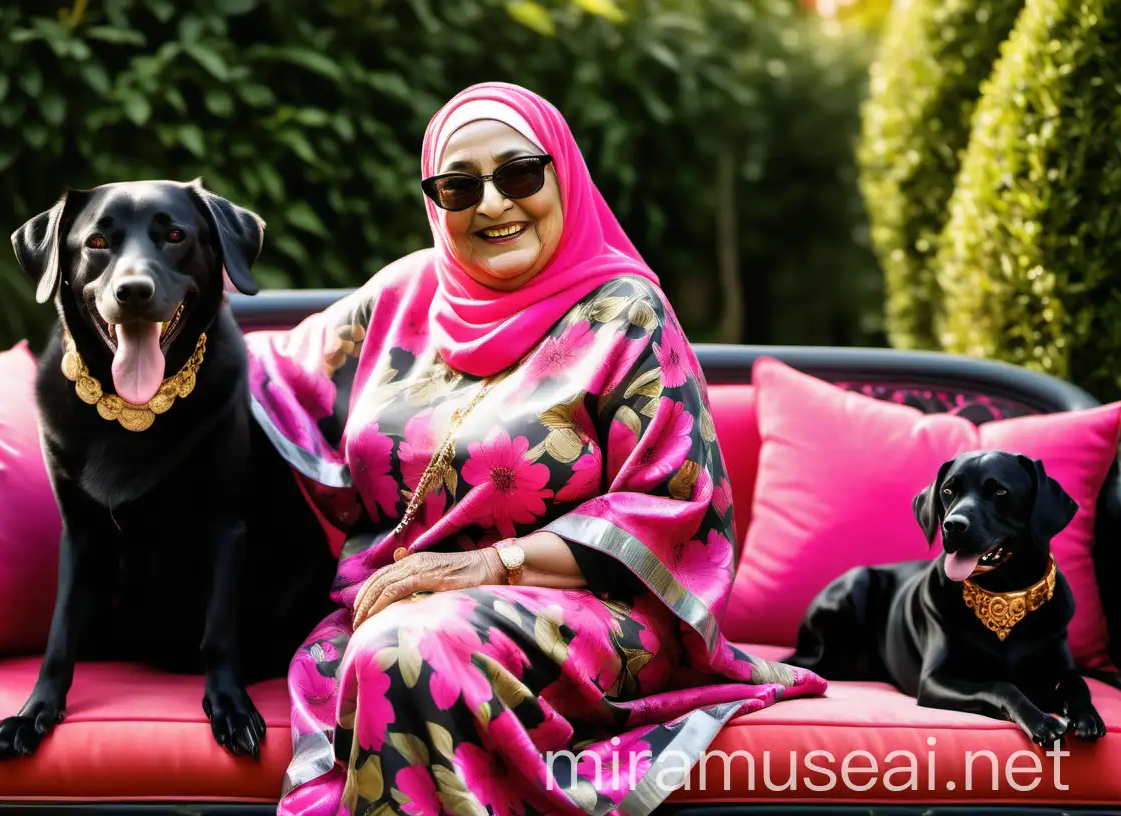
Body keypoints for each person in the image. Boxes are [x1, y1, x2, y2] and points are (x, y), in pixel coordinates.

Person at [244, 82, 826, 816]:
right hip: (402, 610)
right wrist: (123, 349)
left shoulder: (627, 314)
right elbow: (260, 381)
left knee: (413, 651)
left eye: (519, 174)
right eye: (459, 187)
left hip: (594, 614)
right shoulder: (400, 298)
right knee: (402, 641)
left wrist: (489, 565)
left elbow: (676, 510)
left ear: (562, 177)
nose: (492, 204)